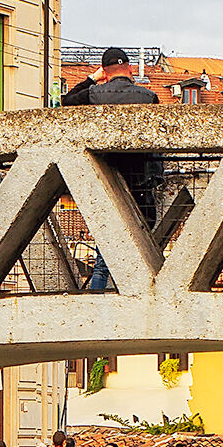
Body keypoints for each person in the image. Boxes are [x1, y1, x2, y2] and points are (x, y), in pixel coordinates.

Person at [63, 50, 162, 287]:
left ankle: (99, 297)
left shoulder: (94, 94)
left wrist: (91, 79)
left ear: (104, 72)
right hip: (141, 179)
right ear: (129, 69)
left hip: (105, 178)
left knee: (105, 248)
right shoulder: (148, 96)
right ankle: (134, 295)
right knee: (140, 242)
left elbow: (65, 102)